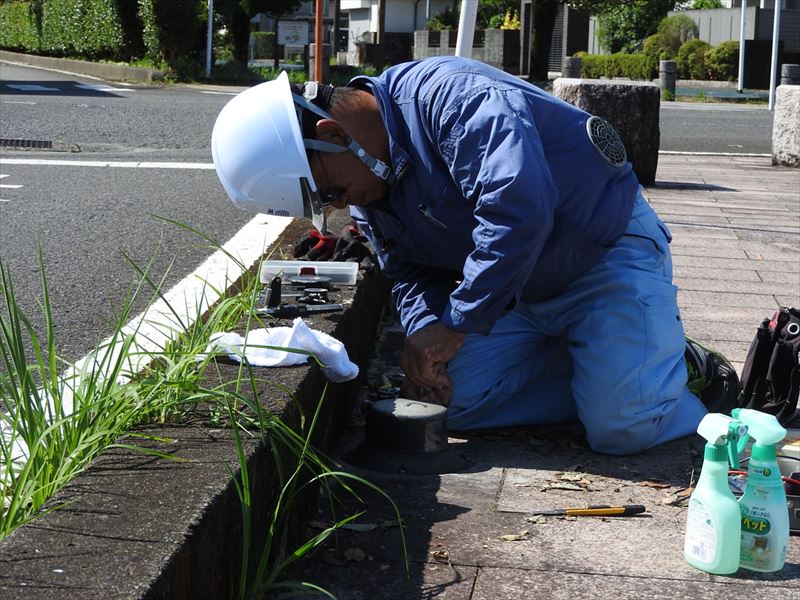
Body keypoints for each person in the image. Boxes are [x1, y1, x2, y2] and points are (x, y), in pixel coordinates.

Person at [211, 56, 711, 455]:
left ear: (334, 136)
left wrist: (457, 325)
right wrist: (426, 328)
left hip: (603, 255)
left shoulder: (455, 98)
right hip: (515, 290)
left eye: (330, 193)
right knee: (456, 402)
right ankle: (620, 364)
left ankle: (677, 370)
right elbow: (406, 270)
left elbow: (518, 213)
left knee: (623, 431)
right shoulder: (369, 186)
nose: (340, 208)